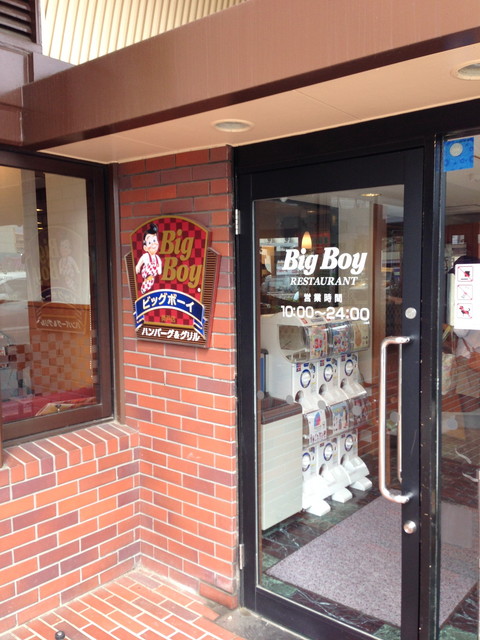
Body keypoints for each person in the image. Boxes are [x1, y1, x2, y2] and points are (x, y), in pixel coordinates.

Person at [135, 223, 162, 294]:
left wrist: (159, 269)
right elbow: (141, 260)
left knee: (151, 285)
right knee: (146, 286)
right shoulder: (146, 256)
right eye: (149, 242)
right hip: (146, 276)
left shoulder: (157, 258)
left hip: (152, 277)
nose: (153, 244)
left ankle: (148, 292)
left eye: (154, 240)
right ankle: (144, 291)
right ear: (145, 247)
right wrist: (138, 266)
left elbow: (159, 265)